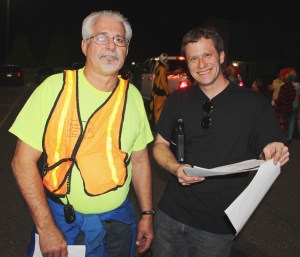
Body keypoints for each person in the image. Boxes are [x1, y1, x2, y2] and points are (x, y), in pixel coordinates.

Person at [9, 10, 154, 257]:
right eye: (101, 37)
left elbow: (139, 160)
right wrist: (46, 228)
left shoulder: (133, 97)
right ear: (85, 46)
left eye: (119, 40)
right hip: (62, 219)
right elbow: (21, 162)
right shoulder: (54, 89)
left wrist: (147, 214)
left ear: (126, 50)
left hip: (119, 218)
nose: (111, 46)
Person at [151, 25, 290, 257]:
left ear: (222, 56)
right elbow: (159, 145)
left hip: (217, 226)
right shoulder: (178, 100)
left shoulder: (253, 103)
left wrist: (273, 149)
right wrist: (175, 168)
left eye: (207, 55)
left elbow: (270, 143)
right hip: (169, 217)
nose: (201, 64)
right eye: (193, 58)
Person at [274, 67, 297, 140]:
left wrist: (275, 101)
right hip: (288, 109)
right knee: (285, 126)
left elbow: (281, 100)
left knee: (279, 126)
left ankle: (280, 140)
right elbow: (291, 99)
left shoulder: (284, 87)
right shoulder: (292, 88)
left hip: (281, 110)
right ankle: (284, 139)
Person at [149, 52, 170, 128]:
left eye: (166, 60)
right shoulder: (162, 69)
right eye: (165, 60)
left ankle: (156, 125)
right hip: (160, 94)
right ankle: (159, 127)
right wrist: (168, 92)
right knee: (158, 111)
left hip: (156, 92)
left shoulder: (158, 68)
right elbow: (163, 82)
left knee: (156, 110)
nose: (166, 61)